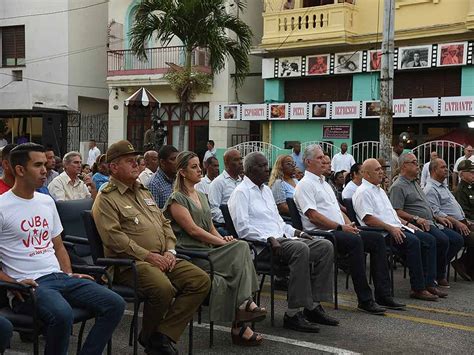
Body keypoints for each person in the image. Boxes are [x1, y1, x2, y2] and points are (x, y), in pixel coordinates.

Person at [0, 143, 125, 355]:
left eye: (45, 164)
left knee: (115, 303)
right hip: (29, 285)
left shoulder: (46, 201)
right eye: (38, 165)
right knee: (62, 314)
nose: (45, 169)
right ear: (20, 170)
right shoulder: (3, 206)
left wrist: (68, 273)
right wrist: (13, 283)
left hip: (59, 277)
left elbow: (58, 246)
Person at [92, 140, 210, 355]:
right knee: (162, 288)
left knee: (200, 280)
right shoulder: (106, 198)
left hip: (162, 257)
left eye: (137, 161)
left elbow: (164, 223)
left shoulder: (142, 191)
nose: (136, 165)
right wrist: (149, 256)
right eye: (130, 162)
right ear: (113, 167)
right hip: (129, 264)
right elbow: (114, 239)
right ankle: (153, 340)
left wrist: (170, 250)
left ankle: (159, 336)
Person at [164, 151, 265, 346]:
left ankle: (241, 321)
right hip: (192, 253)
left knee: (239, 247)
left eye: (198, 166)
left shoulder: (201, 195)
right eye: (194, 167)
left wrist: (223, 239)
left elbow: (209, 227)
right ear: (183, 172)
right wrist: (221, 243)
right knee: (241, 247)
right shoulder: (177, 199)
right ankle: (244, 311)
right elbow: (193, 231)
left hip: (208, 249)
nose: (199, 170)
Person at [229, 152, 338, 333]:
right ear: (249, 170)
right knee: (300, 249)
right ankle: (292, 314)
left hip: (283, 239)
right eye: (262, 166)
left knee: (325, 245)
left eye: (267, 165)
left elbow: (279, 223)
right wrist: (269, 238)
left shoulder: (265, 191)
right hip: (262, 246)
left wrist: (298, 232)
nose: (267, 169)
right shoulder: (241, 193)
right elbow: (243, 229)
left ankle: (313, 306)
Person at [294, 144, 404, 313]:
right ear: (308, 162)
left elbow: (338, 211)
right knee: (355, 242)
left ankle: (383, 294)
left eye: (324, 156)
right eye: (319, 157)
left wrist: (349, 224)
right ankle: (365, 299)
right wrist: (340, 227)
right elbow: (313, 216)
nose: (324, 160)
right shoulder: (305, 185)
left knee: (376, 240)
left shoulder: (324, 184)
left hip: (339, 229)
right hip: (324, 234)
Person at [352, 159, 439, 301]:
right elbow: (368, 219)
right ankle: (417, 288)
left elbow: (392, 214)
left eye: (381, 169)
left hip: (397, 227)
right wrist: (391, 228)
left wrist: (407, 224)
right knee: (413, 242)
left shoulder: (379, 190)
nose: (381, 172)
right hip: (381, 233)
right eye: (377, 170)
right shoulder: (363, 192)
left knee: (428, 239)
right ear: (366, 174)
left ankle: (428, 283)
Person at [389, 153, 463, 289]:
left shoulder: (414, 183)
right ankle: (433, 277)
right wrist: (416, 218)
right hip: (417, 223)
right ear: (404, 166)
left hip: (431, 221)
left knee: (456, 239)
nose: (418, 166)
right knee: (440, 240)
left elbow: (426, 206)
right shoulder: (398, 186)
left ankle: (435, 273)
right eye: (414, 162)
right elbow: (396, 211)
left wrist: (437, 217)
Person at [425, 158, 473, 281]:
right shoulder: (431, 189)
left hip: (462, 222)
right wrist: (458, 223)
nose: (446, 169)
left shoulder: (443, 186)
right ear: (434, 170)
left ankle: (463, 265)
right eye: (443, 167)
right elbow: (436, 212)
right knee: (464, 239)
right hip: (449, 225)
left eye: (446, 166)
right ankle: (443, 267)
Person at [208, 149, 243, 224]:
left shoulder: (243, 182)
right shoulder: (218, 183)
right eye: (236, 160)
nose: (240, 162)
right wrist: (231, 221)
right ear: (226, 163)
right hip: (227, 225)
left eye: (241, 159)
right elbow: (214, 210)